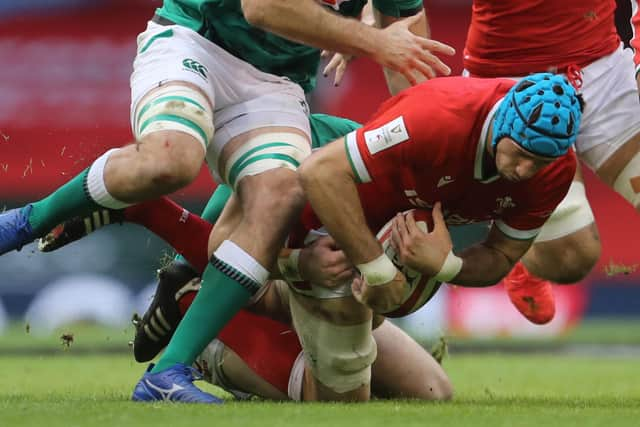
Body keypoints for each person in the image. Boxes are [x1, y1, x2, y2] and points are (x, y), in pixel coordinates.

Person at [0, 1, 455, 403]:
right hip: (197, 40)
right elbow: (264, 8)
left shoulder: (379, 162)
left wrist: (436, 196)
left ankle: (169, 370)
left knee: (431, 390)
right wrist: (371, 38)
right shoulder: (342, 150)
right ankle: (27, 221)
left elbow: (411, 73)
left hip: (277, 83)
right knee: (172, 161)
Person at [298, 72, 583, 314]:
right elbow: (320, 172)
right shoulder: (436, 118)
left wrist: (447, 266)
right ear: (502, 125)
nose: (524, 171)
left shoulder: (556, 171)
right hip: (323, 196)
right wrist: (378, 271)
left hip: (377, 227)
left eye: (540, 162)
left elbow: (502, 256)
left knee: (419, 377)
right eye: (520, 154)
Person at [453, 0, 640, 325]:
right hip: (507, 80)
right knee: (570, 258)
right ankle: (518, 248)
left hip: (602, 67)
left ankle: (522, 230)